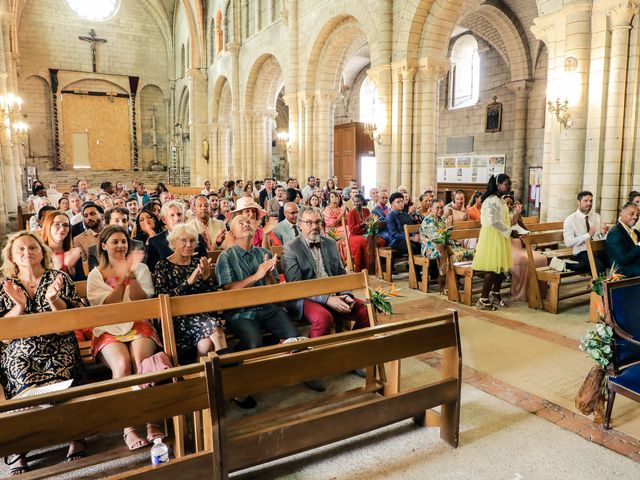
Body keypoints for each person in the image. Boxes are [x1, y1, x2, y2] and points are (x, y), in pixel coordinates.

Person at [0, 232, 85, 473]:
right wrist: (19, 307)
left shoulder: (58, 278)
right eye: (21, 249)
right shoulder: (4, 284)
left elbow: (74, 320)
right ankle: (20, 446)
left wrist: (54, 300)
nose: (27, 252)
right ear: (11, 256)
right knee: (22, 379)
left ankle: (75, 435)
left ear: (42, 251)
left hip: (58, 345)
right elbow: (3, 334)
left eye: (32, 247)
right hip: (20, 348)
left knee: (61, 378)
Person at [86, 225, 162, 451]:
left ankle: (151, 421)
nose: (120, 246)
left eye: (124, 242)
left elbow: (142, 300)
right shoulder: (95, 274)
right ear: (104, 245)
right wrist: (122, 279)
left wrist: (132, 276)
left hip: (137, 322)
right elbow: (109, 306)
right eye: (115, 241)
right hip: (108, 327)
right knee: (122, 364)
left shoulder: (140, 268)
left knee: (141, 362)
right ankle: (128, 427)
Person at [215, 215, 300, 351]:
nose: (246, 224)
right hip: (241, 312)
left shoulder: (263, 253)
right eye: (240, 223)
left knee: (295, 339)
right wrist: (256, 276)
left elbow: (273, 289)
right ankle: (230, 359)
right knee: (254, 345)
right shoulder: (226, 257)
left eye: (248, 222)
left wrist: (268, 275)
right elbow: (229, 289)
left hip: (267, 308)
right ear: (232, 234)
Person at [283, 206, 370, 338]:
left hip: (334, 294)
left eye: (318, 222)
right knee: (324, 318)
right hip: (304, 298)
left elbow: (341, 274)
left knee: (366, 309)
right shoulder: (291, 248)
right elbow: (296, 285)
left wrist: (346, 294)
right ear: (300, 224)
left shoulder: (330, 243)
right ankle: (313, 355)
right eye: (309, 222)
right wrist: (327, 299)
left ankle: (352, 346)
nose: (314, 226)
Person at [153, 224, 228, 363]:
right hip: (176, 320)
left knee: (205, 344)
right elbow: (162, 299)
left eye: (192, 241)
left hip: (200, 315)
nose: (188, 244)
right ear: (173, 243)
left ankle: (203, 379)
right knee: (216, 330)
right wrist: (188, 282)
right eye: (183, 240)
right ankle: (228, 368)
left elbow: (211, 297)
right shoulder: (162, 266)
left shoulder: (197, 263)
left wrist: (206, 278)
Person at [471, 174, 518, 310]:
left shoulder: (500, 200)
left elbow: (504, 219)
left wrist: (514, 217)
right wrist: (510, 232)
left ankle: (495, 294)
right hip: (491, 236)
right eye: (506, 184)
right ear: (498, 185)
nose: (509, 187)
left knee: (500, 267)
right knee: (492, 268)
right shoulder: (491, 200)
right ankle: (483, 299)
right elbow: (494, 221)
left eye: (510, 184)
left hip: (499, 236)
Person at [420, 200, 473, 291]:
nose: (440, 210)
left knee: (462, 250)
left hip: (444, 245)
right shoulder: (428, 220)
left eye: (441, 208)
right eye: (437, 208)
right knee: (445, 250)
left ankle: (455, 279)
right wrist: (448, 228)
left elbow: (450, 235)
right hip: (430, 248)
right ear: (431, 209)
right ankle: (446, 284)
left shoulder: (442, 219)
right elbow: (437, 238)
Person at [147, 200, 208, 272]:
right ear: (164, 220)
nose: (177, 218)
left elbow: (204, 265)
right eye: (172, 215)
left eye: (179, 214)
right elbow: (153, 270)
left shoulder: (197, 237)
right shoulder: (155, 242)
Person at [563, 190, 608, 274]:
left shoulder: (596, 216)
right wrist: (588, 235)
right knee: (599, 268)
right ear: (578, 202)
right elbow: (568, 242)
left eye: (591, 201)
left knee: (615, 261)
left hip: (598, 250)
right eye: (585, 201)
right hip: (582, 252)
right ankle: (567, 264)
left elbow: (600, 238)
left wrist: (604, 233)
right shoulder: (570, 220)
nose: (589, 203)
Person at [41, 210, 85, 281]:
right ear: (48, 226)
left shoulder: (72, 252)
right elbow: (38, 284)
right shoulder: (40, 252)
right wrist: (56, 269)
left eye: (65, 225)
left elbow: (80, 283)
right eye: (57, 224)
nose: (62, 229)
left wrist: (70, 267)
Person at [347, 193, 383, 272]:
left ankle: (379, 265)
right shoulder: (351, 213)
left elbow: (370, 222)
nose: (356, 203)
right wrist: (362, 224)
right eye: (355, 202)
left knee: (381, 241)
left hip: (366, 233)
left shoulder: (366, 210)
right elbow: (352, 229)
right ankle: (367, 267)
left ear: (362, 201)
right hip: (355, 236)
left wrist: (372, 224)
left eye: (358, 201)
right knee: (366, 240)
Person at [605, 202, 640, 277]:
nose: (635, 217)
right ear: (621, 214)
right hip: (623, 270)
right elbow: (623, 260)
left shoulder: (635, 232)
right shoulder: (614, 233)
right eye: (631, 214)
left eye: (638, 215)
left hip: (636, 264)